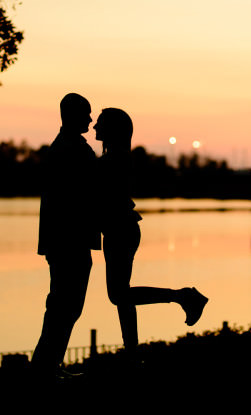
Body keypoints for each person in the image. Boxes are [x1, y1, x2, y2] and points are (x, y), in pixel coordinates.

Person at [93, 108, 208, 357]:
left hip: (120, 230)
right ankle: (132, 354)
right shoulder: (115, 156)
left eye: (100, 123)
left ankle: (183, 296)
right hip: (118, 230)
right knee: (122, 296)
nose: (94, 128)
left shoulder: (114, 159)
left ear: (113, 129)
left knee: (119, 295)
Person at [32, 92, 102, 378]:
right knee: (65, 305)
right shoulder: (70, 150)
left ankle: (47, 365)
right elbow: (82, 195)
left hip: (64, 240)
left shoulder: (66, 148)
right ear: (71, 115)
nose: (90, 119)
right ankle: (45, 367)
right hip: (68, 241)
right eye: (86, 113)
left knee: (63, 305)